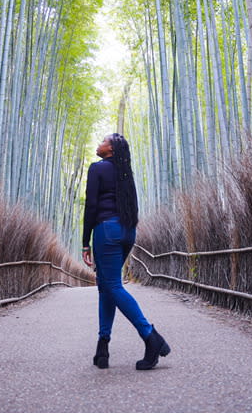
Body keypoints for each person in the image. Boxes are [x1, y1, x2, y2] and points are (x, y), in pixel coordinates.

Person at [82, 132, 170, 370]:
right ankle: (103, 347)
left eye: (103, 141)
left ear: (110, 149)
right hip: (127, 232)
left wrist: (85, 242)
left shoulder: (97, 168)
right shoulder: (124, 173)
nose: (99, 144)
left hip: (106, 230)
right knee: (106, 286)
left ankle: (150, 336)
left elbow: (91, 205)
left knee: (111, 285)